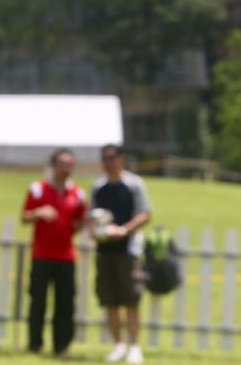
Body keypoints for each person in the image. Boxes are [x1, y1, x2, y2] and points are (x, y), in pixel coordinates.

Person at [21, 148, 87, 357]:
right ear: (53, 166)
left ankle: (62, 347)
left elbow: (79, 222)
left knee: (65, 304)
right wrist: (39, 212)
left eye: (70, 165)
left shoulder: (78, 193)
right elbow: (24, 217)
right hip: (41, 255)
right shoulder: (38, 189)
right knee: (38, 302)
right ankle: (35, 345)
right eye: (63, 164)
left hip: (66, 256)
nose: (67, 169)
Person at [91, 144, 152, 364]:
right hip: (104, 249)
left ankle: (134, 346)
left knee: (130, 299)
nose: (108, 162)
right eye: (104, 158)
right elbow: (93, 215)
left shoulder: (134, 184)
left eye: (111, 157)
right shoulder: (98, 186)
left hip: (128, 250)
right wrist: (98, 231)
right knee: (110, 299)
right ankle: (118, 344)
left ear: (121, 159)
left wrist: (124, 230)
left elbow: (145, 214)